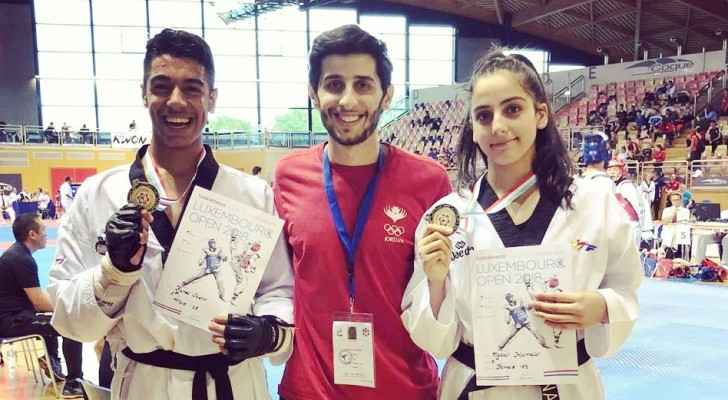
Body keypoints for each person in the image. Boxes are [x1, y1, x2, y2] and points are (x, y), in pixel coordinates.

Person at [48, 29, 294, 400]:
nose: (176, 101)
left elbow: (278, 289)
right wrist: (112, 273)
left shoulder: (253, 195)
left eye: (192, 88)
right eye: (162, 86)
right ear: (144, 92)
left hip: (233, 384)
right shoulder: (98, 195)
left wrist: (267, 331)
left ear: (211, 98)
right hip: (144, 385)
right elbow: (71, 322)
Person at [401, 49, 642, 400]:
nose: (497, 126)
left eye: (512, 109)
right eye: (483, 115)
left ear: (540, 113)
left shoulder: (594, 203)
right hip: (475, 386)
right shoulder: (448, 217)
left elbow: (625, 288)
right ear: (472, 125)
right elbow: (436, 340)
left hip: (567, 386)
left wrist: (601, 307)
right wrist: (436, 282)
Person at [273, 24, 451, 399]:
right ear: (313, 93)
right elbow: (275, 285)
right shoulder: (288, 177)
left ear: (387, 96)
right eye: (334, 84)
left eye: (363, 85)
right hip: (309, 391)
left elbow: (443, 294)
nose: (348, 101)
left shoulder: (428, 181)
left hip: (404, 390)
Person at [0, 214, 84, 398]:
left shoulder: (17, 254)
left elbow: (39, 301)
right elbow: (39, 302)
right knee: (72, 326)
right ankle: (74, 382)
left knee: (52, 317)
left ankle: (50, 359)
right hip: (10, 322)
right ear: (32, 234)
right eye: (44, 231)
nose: (46, 235)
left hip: (14, 316)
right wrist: (72, 307)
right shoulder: (21, 259)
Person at [607, 159, 654, 249]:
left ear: (621, 171)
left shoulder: (626, 186)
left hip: (630, 225)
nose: (612, 173)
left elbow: (638, 207)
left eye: (615, 169)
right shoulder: (612, 186)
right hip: (617, 226)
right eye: (609, 170)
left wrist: (643, 227)